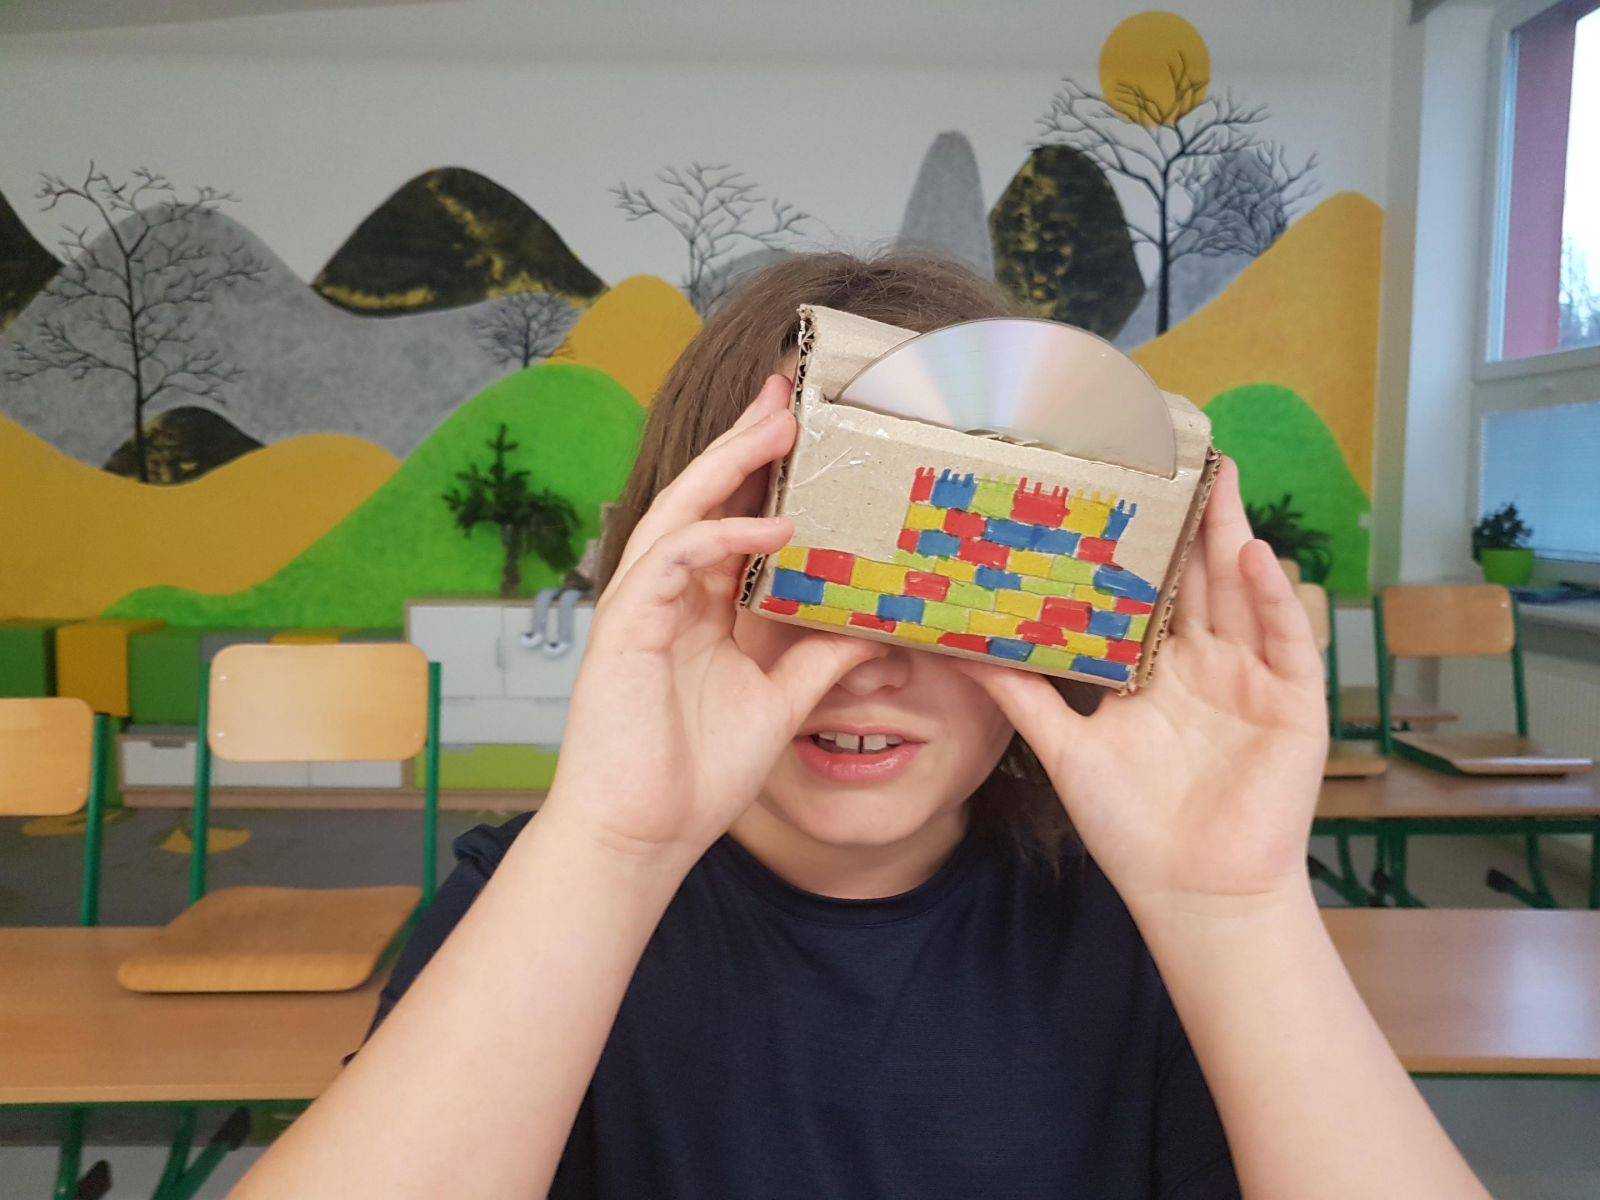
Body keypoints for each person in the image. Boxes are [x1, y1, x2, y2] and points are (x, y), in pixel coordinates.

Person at [232, 251, 1490, 1199]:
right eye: (803, 571)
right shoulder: (539, 901)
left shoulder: (1146, 935)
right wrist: (610, 846)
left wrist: (1238, 911)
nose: (866, 663)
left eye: (946, 582)